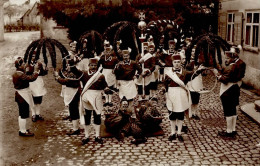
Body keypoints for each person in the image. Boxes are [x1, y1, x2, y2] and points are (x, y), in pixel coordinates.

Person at [161, 54, 204, 142]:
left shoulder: (185, 73)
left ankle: (179, 132)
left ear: (181, 63)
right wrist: (163, 89)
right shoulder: (169, 74)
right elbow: (165, 84)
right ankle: (173, 132)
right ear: (172, 63)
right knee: (172, 114)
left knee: (180, 114)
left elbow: (194, 74)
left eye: (178, 62)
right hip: (171, 94)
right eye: (175, 62)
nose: (176, 64)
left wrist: (199, 70)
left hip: (181, 94)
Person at [75, 58, 109, 145]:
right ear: (88, 66)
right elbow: (75, 71)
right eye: (91, 65)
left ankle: (97, 136)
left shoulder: (100, 75)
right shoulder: (84, 74)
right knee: (87, 116)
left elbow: (104, 86)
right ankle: (86, 136)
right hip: (86, 97)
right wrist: (71, 62)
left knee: (97, 116)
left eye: (95, 65)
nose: (93, 67)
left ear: (97, 66)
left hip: (96, 97)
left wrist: (106, 89)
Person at [213, 50, 246, 138]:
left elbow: (224, 80)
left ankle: (228, 132)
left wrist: (217, 75)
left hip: (227, 91)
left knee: (228, 111)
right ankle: (233, 129)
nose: (226, 60)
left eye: (228, 58)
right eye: (226, 58)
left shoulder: (230, 67)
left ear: (233, 58)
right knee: (233, 111)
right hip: (234, 89)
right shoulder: (237, 65)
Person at [13, 57, 39, 136]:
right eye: (23, 64)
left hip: (20, 94)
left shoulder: (17, 73)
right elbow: (31, 78)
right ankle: (22, 131)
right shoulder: (20, 74)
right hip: (22, 95)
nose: (25, 65)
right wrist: (36, 72)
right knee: (23, 114)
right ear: (19, 65)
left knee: (22, 113)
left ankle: (22, 129)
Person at [54, 59, 81, 136]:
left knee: (73, 110)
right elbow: (64, 76)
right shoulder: (71, 72)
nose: (67, 67)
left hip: (73, 92)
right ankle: (75, 126)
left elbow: (66, 81)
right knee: (72, 109)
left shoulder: (74, 74)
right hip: (71, 92)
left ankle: (76, 129)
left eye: (68, 65)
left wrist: (57, 77)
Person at [114, 46, 142, 113]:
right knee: (123, 98)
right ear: (122, 57)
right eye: (124, 56)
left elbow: (140, 70)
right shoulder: (120, 63)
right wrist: (117, 79)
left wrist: (136, 75)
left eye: (127, 56)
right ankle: (122, 112)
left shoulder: (133, 63)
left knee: (130, 97)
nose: (125, 57)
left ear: (129, 56)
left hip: (130, 82)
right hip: (122, 82)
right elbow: (116, 73)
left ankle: (130, 111)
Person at [25, 52, 48, 122]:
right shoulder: (27, 64)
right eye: (32, 56)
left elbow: (44, 73)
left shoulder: (39, 63)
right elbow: (26, 73)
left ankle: (38, 113)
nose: (33, 57)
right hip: (31, 82)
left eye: (35, 56)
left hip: (39, 81)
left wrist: (44, 68)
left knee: (38, 98)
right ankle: (33, 114)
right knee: (32, 98)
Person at [99, 40, 119, 106]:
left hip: (111, 73)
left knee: (110, 86)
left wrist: (114, 69)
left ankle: (110, 101)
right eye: (106, 51)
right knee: (105, 85)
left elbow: (118, 65)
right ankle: (106, 100)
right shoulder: (102, 58)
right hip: (105, 72)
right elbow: (98, 64)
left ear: (110, 52)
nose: (107, 53)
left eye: (109, 51)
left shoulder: (114, 59)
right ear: (104, 52)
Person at [186, 47, 203, 120]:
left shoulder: (200, 61)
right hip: (190, 81)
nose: (193, 53)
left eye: (195, 51)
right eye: (192, 51)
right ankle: (189, 113)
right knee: (190, 98)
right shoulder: (188, 60)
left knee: (196, 99)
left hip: (197, 81)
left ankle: (194, 113)